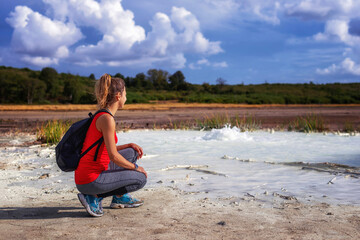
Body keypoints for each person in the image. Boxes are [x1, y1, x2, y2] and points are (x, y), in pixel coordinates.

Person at [75, 73, 147, 217]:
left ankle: (119, 197)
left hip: (89, 175)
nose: (126, 97)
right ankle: (93, 197)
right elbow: (113, 156)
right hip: (90, 180)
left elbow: (107, 150)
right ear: (118, 96)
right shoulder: (107, 119)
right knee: (141, 179)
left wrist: (129, 145)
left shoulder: (101, 115)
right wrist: (136, 168)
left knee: (131, 152)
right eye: (125, 93)